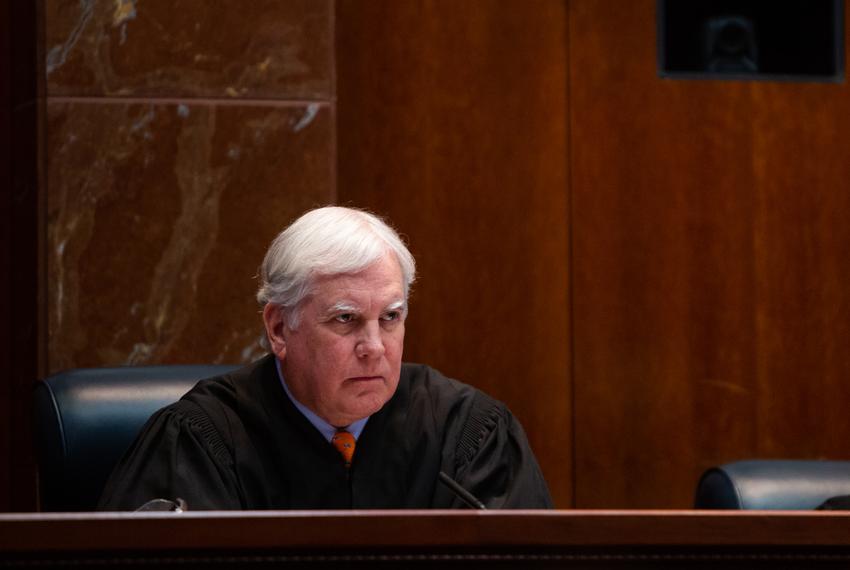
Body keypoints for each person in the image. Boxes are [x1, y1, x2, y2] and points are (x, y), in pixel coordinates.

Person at [98, 206, 553, 510]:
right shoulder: (201, 442)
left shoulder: (469, 436)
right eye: (345, 320)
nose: (374, 345)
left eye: (390, 317)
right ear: (279, 328)